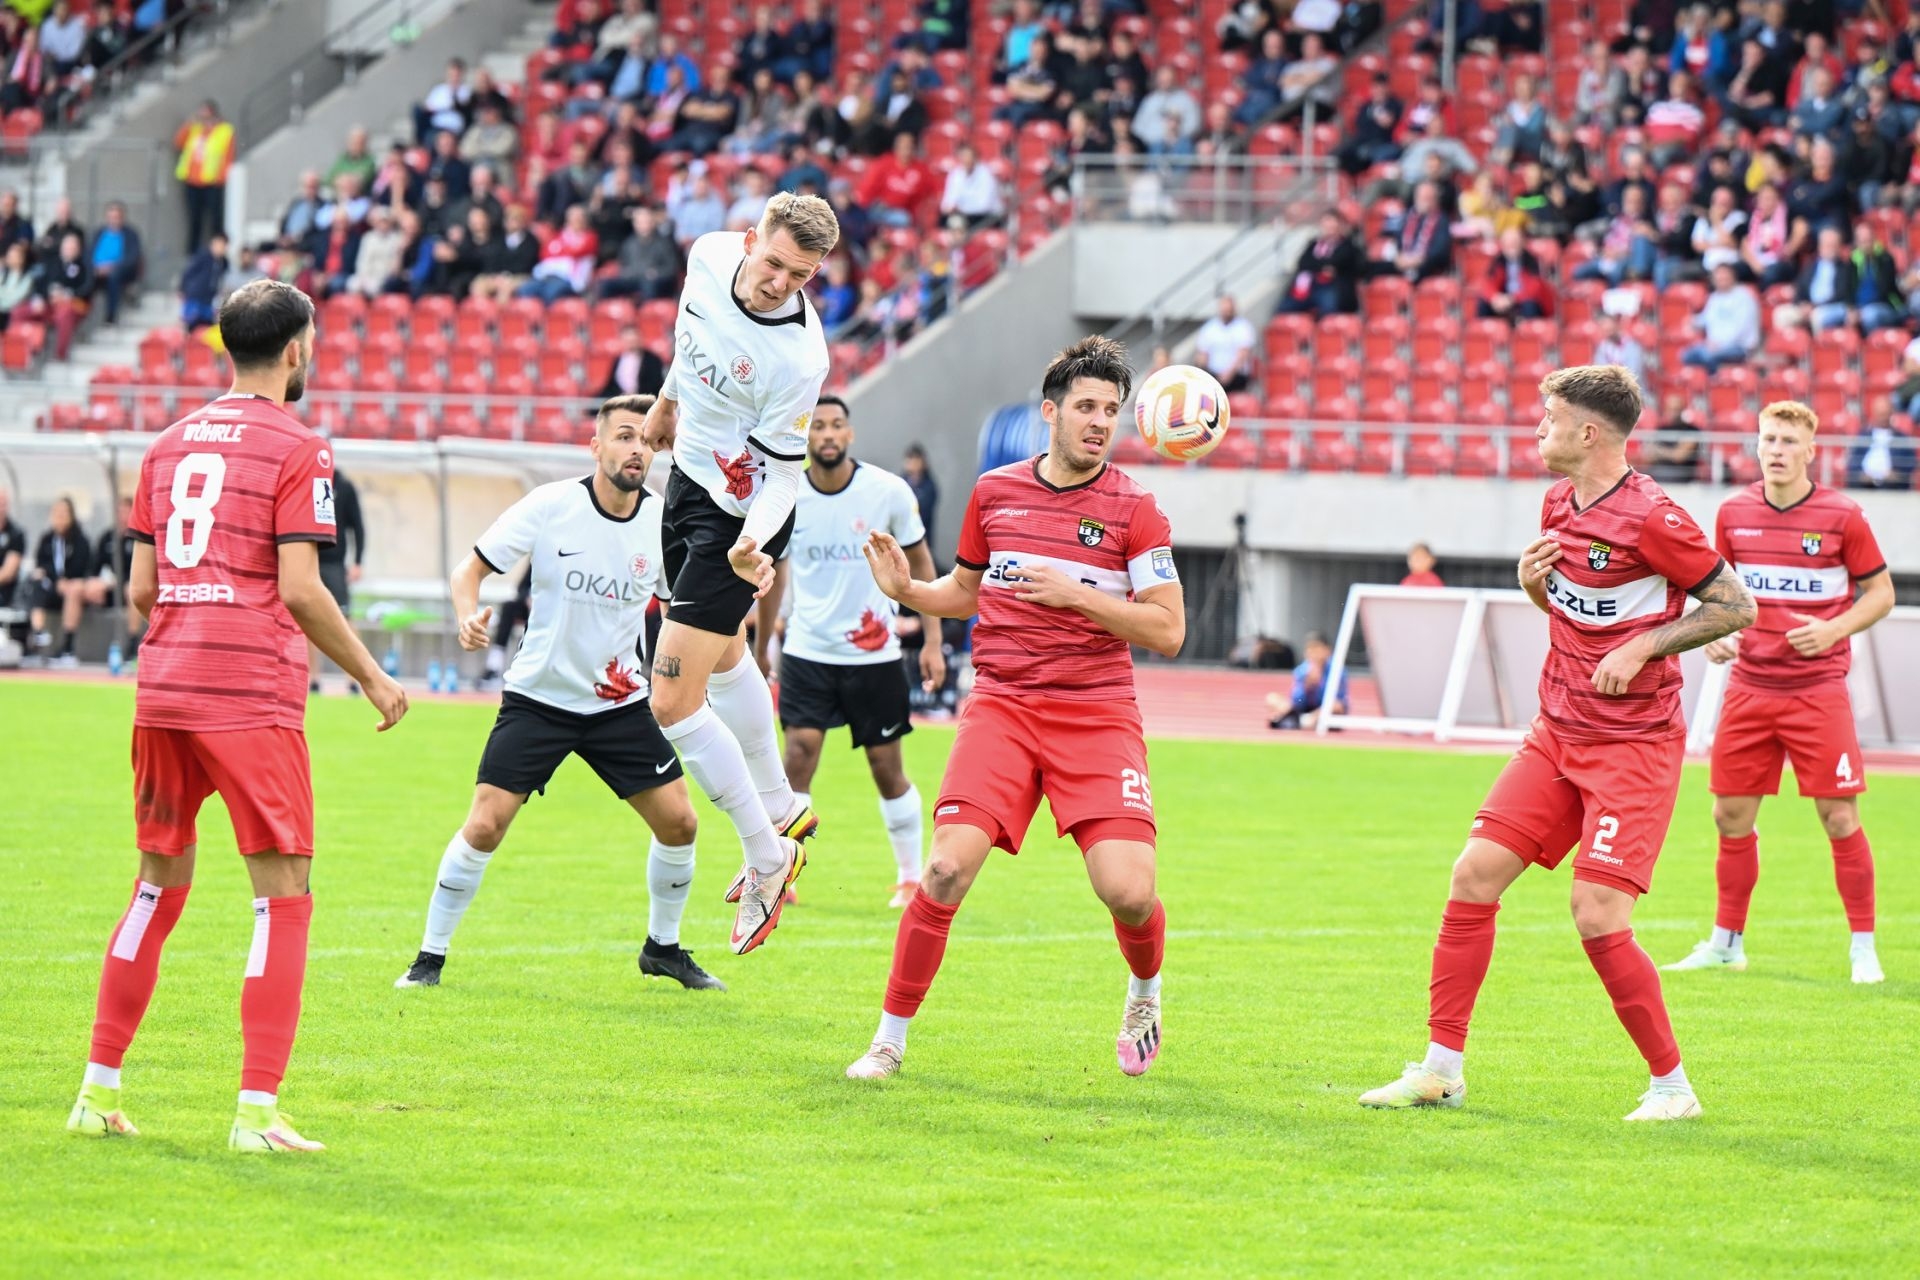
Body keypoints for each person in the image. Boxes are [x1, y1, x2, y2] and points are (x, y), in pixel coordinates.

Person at [1358, 364, 1756, 1121]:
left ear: (1589, 432)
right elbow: (1571, 609)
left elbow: (1737, 607)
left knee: (1597, 913)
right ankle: (1441, 1070)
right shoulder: (1556, 501)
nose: (1538, 428)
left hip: (1633, 745)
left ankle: (1673, 1089)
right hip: (1556, 731)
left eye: (1550, 417)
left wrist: (1645, 647)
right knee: (1473, 874)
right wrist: (1532, 584)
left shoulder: (1655, 518)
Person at [65, 279, 409, 1153]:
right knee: (282, 900)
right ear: (295, 349)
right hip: (248, 695)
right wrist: (373, 676)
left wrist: (192, 624)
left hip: (163, 691)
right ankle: (255, 1114)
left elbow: (142, 590)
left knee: (154, 887)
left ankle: (97, 1092)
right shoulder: (300, 447)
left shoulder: (165, 445)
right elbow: (302, 588)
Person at [843, 336, 1186, 1081]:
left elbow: (1168, 629)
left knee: (1129, 893)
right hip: (1002, 705)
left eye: (1111, 410)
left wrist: (1078, 597)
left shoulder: (1136, 509)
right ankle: (889, 1040)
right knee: (943, 870)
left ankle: (1145, 992)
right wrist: (909, 592)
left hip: (1095, 712)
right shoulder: (994, 492)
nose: (1100, 422)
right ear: (1050, 413)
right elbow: (966, 592)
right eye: (1086, 407)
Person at [395, 395, 719, 991]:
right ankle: (428, 960)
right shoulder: (550, 505)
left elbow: (683, 612)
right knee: (485, 825)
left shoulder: (664, 522)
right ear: (596, 447)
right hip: (539, 700)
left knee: (680, 823)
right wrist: (467, 617)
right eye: (623, 437)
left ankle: (663, 949)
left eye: (645, 440)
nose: (636, 450)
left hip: (618, 702)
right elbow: (469, 570)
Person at [638, 193, 838, 956]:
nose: (781, 283)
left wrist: (752, 543)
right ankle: (782, 804)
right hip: (687, 484)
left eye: (801, 276)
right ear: (750, 239)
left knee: (670, 700)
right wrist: (666, 403)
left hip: (741, 520)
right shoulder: (709, 254)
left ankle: (768, 853)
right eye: (776, 263)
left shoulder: (800, 359)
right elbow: (691, 337)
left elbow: (785, 477)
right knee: (723, 660)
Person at [1664, 402, 1895, 985]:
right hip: (1749, 687)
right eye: (1769, 439)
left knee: (1839, 817)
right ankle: (1726, 944)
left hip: (1817, 690)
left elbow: (1881, 593)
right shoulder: (1733, 512)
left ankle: (1863, 948)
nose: (1777, 450)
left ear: (1810, 451)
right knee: (1729, 816)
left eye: (1789, 441)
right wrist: (1713, 635)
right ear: (1757, 445)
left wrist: (1834, 629)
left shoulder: (1843, 515)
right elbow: (1716, 594)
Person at [752, 395, 944, 909]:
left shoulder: (888, 491)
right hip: (808, 652)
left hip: (874, 656)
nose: (828, 434)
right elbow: (774, 579)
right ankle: (781, 873)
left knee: (886, 767)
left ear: (850, 434)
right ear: (806, 437)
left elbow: (922, 564)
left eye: (836, 425)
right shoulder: (787, 497)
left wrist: (932, 640)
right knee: (797, 757)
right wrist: (764, 647)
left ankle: (910, 877)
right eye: (818, 426)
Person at [308, 465, 364, 691]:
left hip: (335, 565)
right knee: (307, 620)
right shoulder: (307, 481)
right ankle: (313, 678)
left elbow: (358, 526)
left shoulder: (344, 486)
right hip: (310, 562)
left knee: (345, 618)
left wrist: (358, 561)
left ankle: (354, 677)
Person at [26, 495, 91, 665]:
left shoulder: (79, 540)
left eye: (64, 512)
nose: (60, 516)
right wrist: (56, 580)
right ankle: (38, 635)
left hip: (72, 588)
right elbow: (41, 564)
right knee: (36, 583)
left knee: (74, 590)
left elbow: (81, 567)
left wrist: (65, 581)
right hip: (51, 588)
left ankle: (67, 647)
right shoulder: (47, 539)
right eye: (56, 512)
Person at [173, 100, 234, 254]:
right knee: (195, 218)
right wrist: (189, 123)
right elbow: (178, 142)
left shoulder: (224, 130)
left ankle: (218, 251)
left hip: (212, 182)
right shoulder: (195, 129)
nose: (203, 118)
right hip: (192, 181)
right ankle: (192, 252)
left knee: (215, 219)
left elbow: (228, 156)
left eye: (206, 115)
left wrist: (221, 178)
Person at [1680, 263, 1760, 372]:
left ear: (1732, 276)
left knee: (1708, 356)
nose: (1721, 279)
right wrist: (1693, 321)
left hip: (1739, 347)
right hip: (1713, 345)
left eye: (1724, 276)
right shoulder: (1715, 297)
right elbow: (1706, 318)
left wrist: (1720, 344)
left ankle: (1715, 381)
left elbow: (1742, 329)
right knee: (1687, 355)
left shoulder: (1744, 297)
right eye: (1718, 277)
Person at [1265, 630, 1349, 729]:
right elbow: (1297, 700)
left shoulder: (1336, 671)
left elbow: (1339, 700)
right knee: (1272, 698)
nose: (1313, 654)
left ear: (1327, 651)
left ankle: (1301, 721)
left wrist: (1320, 685)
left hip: (1325, 709)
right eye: (1310, 649)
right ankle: (1299, 721)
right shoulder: (1302, 670)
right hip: (1305, 709)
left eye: (1317, 649)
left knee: (1336, 706)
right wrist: (1307, 686)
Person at [89, 202, 143, 326]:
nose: (114, 220)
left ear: (122, 218)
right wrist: (95, 267)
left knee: (113, 277)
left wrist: (112, 267)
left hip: (120, 271)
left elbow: (132, 257)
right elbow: (89, 252)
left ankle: (111, 317)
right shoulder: (99, 233)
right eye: (111, 217)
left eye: (116, 217)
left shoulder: (131, 234)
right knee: (84, 276)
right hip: (97, 270)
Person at [1190, 294, 1256, 393]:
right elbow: (1203, 353)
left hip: (1236, 375)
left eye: (1229, 310)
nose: (1226, 312)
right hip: (1213, 374)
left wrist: (1228, 374)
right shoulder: (1210, 327)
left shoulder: (1243, 327)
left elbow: (1243, 354)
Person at [596, 326, 665, 398]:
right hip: (621, 399)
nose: (631, 344)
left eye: (634, 341)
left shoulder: (652, 360)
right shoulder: (618, 360)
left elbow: (655, 384)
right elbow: (611, 386)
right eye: (628, 341)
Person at [901, 443, 937, 534]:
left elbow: (923, 512)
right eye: (910, 459)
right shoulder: (900, 483)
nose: (913, 464)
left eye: (916, 460)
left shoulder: (929, 486)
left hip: (922, 534)